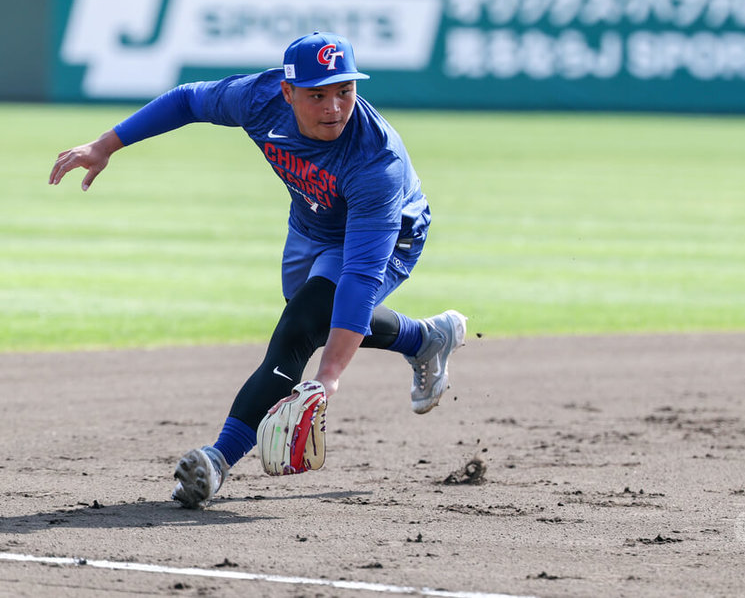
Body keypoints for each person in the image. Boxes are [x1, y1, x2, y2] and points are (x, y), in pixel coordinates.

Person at [49, 31, 467, 508]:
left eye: (345, 91)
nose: (334, 107)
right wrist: (106, 144)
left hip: (388, 235)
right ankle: (423, 339)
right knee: (311, 311)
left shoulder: (376, 162)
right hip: (312, 222)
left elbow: (360, 277)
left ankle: (216, 461)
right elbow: (187, 101)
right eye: (317, 95)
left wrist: (328, 376)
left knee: (302, 325)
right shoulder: (258, 99)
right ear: (287, 92)